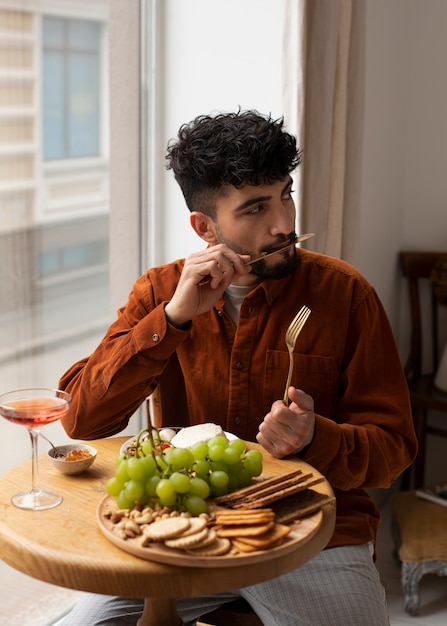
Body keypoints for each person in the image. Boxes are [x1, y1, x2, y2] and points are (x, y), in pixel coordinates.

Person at [58, 110, 417, 625]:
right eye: (255, 209)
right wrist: (174, 319)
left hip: (314, 533)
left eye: (286, 194)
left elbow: (395, 448)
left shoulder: (346, 294)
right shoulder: (161, 292)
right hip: (184, 526)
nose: (284, 224)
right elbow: (80, 419)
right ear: (205, 227)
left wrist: (317, 437)